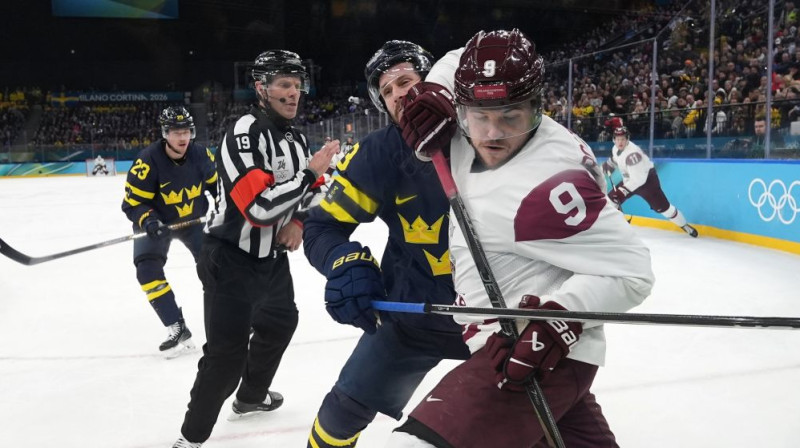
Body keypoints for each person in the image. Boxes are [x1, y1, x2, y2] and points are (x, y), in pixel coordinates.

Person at [388, 28, 655, 447]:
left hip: (536, 353)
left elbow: (632, 271)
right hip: (500, 341)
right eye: (479, 117)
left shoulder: (553, 184)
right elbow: (462, 56)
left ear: (536, 107)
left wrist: (558, 319)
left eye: (511, 117)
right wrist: (434, 91)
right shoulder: (467, 110)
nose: (492, 135)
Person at [302, 40, 470, 448]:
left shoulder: (483, 132)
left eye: (406, 81)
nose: (398, 94)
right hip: (413, 317)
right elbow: (321, 228)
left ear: (433, 82)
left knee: (538, 418)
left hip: (498, 319)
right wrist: (345, 263)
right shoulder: (377, 154)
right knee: (339, 413)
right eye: (387, 91)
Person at [173, 50, 337, 448]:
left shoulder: (295, 138)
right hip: (230, 258)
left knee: (280, 322)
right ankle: (189, 439)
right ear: (261, 88)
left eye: (297, 85)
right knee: (225, 359)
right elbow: (259, 207)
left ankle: (249, 398)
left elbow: (317, 191)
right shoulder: (244, 132)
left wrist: (299, 220)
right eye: (283, 84)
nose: (293, 93)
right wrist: (310, 175)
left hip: (271, 261)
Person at [121, 106, 217, 358]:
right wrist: (148, 220)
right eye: (176, 132)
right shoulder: (147, 161)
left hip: (192, 220)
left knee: (216, 265)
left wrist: (222, 208)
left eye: (186, 131)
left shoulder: (202, 155)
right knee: (147, 271)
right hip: (157, 225)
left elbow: (217, 187)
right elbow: (132, 203)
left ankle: (233, 318)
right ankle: (176, 325)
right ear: (165, 134)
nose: (182, 137)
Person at [603, 126, 698, 237]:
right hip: (629, 181)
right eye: (618, 139)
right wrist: (610, 164)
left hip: (647, 183)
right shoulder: (615, 148)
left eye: (623, 139)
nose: (620, 142)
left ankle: (684, 225)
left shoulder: (633, 154)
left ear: (627, 139)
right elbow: (617, 158)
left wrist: (621, 192)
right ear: (614, 139)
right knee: (610, 199)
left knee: (664, 209)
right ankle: (612, 228)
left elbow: (638, 180)